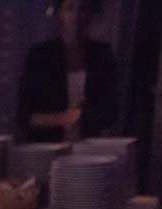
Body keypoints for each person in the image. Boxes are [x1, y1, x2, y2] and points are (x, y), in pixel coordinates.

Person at [18, 0, 118, 142]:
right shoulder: (40, 56)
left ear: (90, 14)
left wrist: (85, 114)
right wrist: (63, 118)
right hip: (48, 148)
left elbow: (111, 112)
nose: (76, 15)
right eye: (70, 8)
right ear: (60, 14)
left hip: (89, 149)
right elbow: (25, 116)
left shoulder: (102, 54)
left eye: (83, 9)